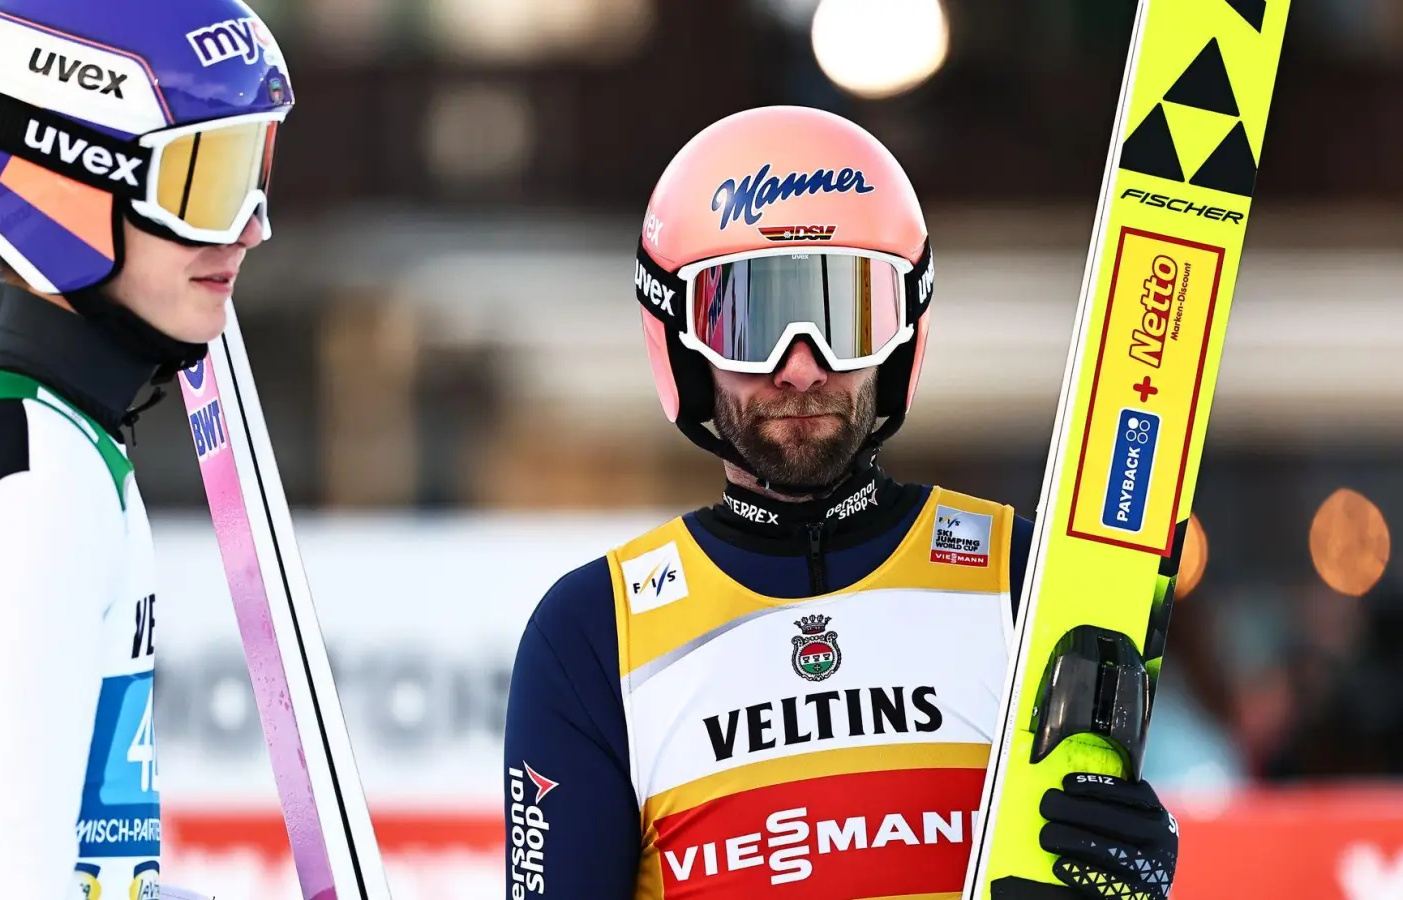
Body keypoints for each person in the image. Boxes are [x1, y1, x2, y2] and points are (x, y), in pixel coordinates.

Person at [503, 106, 1179, 899]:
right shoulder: (592, 634)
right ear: (680, 339)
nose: (800, 366)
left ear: (904, 329)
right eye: (747, 321)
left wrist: (1129, 880)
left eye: (846, 313)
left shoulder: (1027, 580)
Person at [0, 1, 292, 898]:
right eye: (206, 179)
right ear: (68, 186)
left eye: (256, 171)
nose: (251, 227)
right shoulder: (36, 479)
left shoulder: (21, 438)